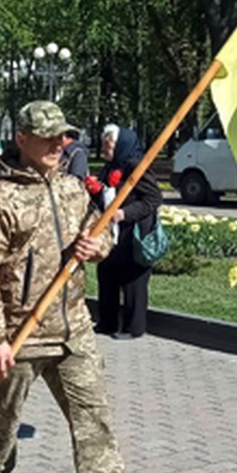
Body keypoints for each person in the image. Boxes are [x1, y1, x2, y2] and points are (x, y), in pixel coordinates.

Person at [0, 100, 129, 473]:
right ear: (22, 139)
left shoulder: (72, 187)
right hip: (22, 334)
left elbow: (99, 229)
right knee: (3, 425)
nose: (59, 144)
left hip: (73, 329)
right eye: (48, 138)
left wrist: (97, 245)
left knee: (94, 422)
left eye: (63, 136)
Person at [94, 124, 162, 339]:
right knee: (107, 275)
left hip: (133, 234)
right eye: (104, 144)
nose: (104, 149)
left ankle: (134, 327)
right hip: (111, 233)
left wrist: (125, 213)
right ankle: (107, 322)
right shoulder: (110, 166)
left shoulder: (136, 166)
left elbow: (153, 199)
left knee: (133, 281)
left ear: (122, 145)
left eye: (109, 145)